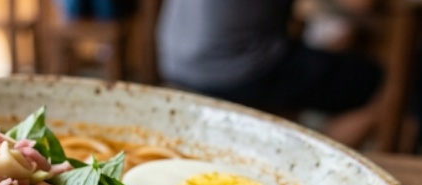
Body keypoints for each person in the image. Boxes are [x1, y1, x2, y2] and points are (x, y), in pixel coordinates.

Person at [157, 0, 384, 147]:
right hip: (235, 66)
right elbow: (361, 4)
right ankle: (309, 169)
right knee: (385, 86)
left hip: (175, 59)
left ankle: (287, 143)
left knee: (326, 54)